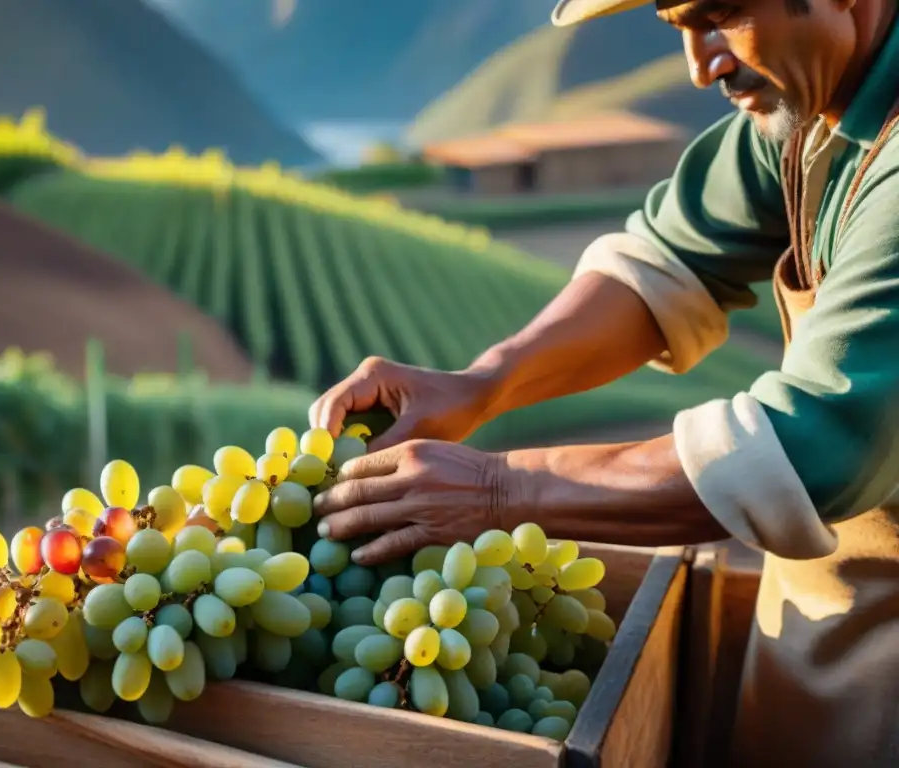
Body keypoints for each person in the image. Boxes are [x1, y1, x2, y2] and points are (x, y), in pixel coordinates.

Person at [308, 0, 899, 765]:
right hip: (827, 638)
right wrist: (481, 384)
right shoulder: (814, 106)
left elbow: (813, 446)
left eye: (720, 14)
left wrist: (499, 490)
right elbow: (669, 260)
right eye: (679, 24)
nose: (701, 64)